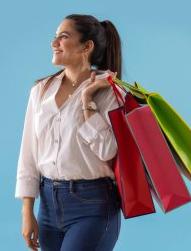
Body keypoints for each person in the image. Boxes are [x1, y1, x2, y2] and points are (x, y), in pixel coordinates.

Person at [15, 14, 125, 251]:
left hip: (93, 204)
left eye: (63, 37)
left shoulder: (109, 92)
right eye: (55, 37)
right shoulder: (40, 91)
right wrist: (27, 211)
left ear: (87, 46)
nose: (54, 43)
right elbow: (29, 154)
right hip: (47, 206)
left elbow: (108, 152)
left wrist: (88, 101)